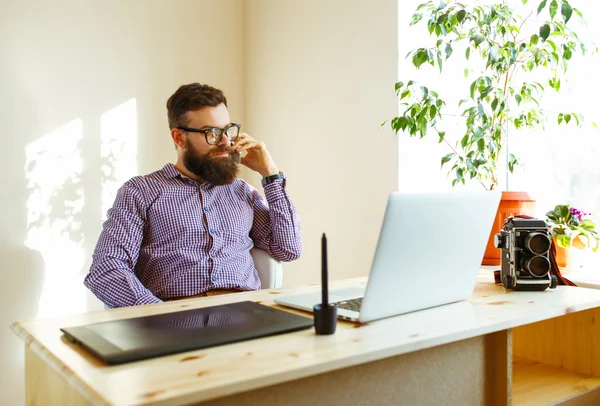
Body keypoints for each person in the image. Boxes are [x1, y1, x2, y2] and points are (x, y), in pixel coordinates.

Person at [84, 83, 301, 308]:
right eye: (213, 133)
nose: (226, 142)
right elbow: (106, 269)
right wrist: (160, 314)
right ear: (179, 138)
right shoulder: (140, 192)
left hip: (246, 311)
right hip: (176, 318)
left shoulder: (242, 192)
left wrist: (270, 174)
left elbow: (288, 249)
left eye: (228, 130)